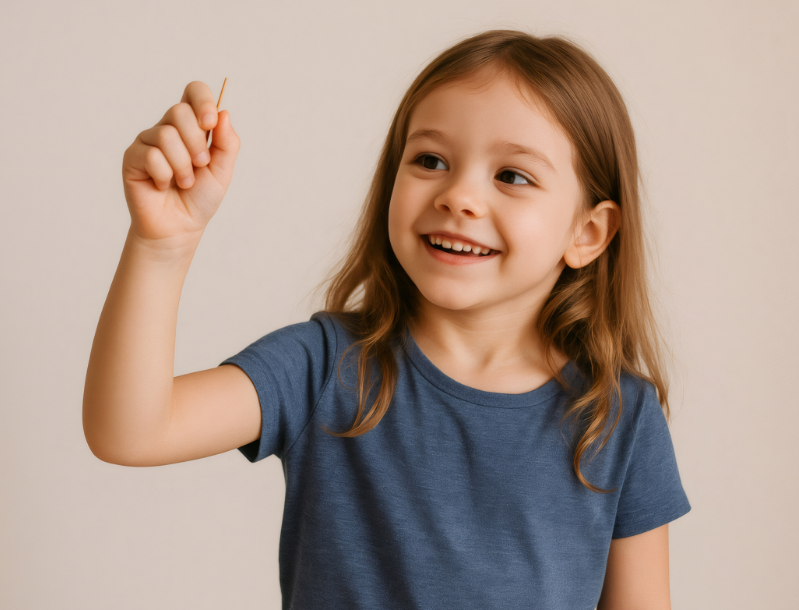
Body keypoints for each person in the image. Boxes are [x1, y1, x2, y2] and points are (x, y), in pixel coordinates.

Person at [83, 29, 691, 610]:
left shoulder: (620, 417)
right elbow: (130, 432)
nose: (458, 196)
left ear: (588, 233)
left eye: (512, 176)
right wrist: (161, 245)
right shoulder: (323, 367)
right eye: (430, 159)